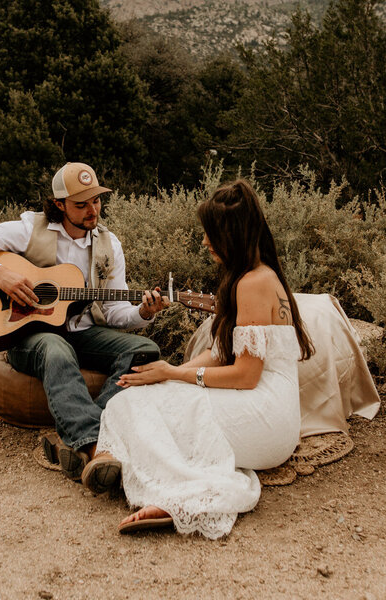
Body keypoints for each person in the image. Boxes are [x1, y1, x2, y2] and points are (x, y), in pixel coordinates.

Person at [87, 179, 315, 538]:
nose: (205, 242)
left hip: (264, 414)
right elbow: (221, 353)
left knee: (144, 410)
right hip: (262, 407)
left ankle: (174, 497)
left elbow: (246, 375)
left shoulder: (254, 283)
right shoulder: (248, 276)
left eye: (211, 234)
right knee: (135, 400)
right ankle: (118, 462)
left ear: (233, 234)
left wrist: (175, 376)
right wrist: (167, 372)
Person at [0, 162, 168, 480]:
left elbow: (116, 310)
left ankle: (74, 435)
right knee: (56, 348)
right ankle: (95, 447)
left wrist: (144, 313)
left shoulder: (109, 245)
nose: (93, 210)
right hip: (28, 337)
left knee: (145, 350)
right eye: (81, 204)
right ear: (59, 204)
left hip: (83, 332)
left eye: (96, 201)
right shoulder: (28, 229)